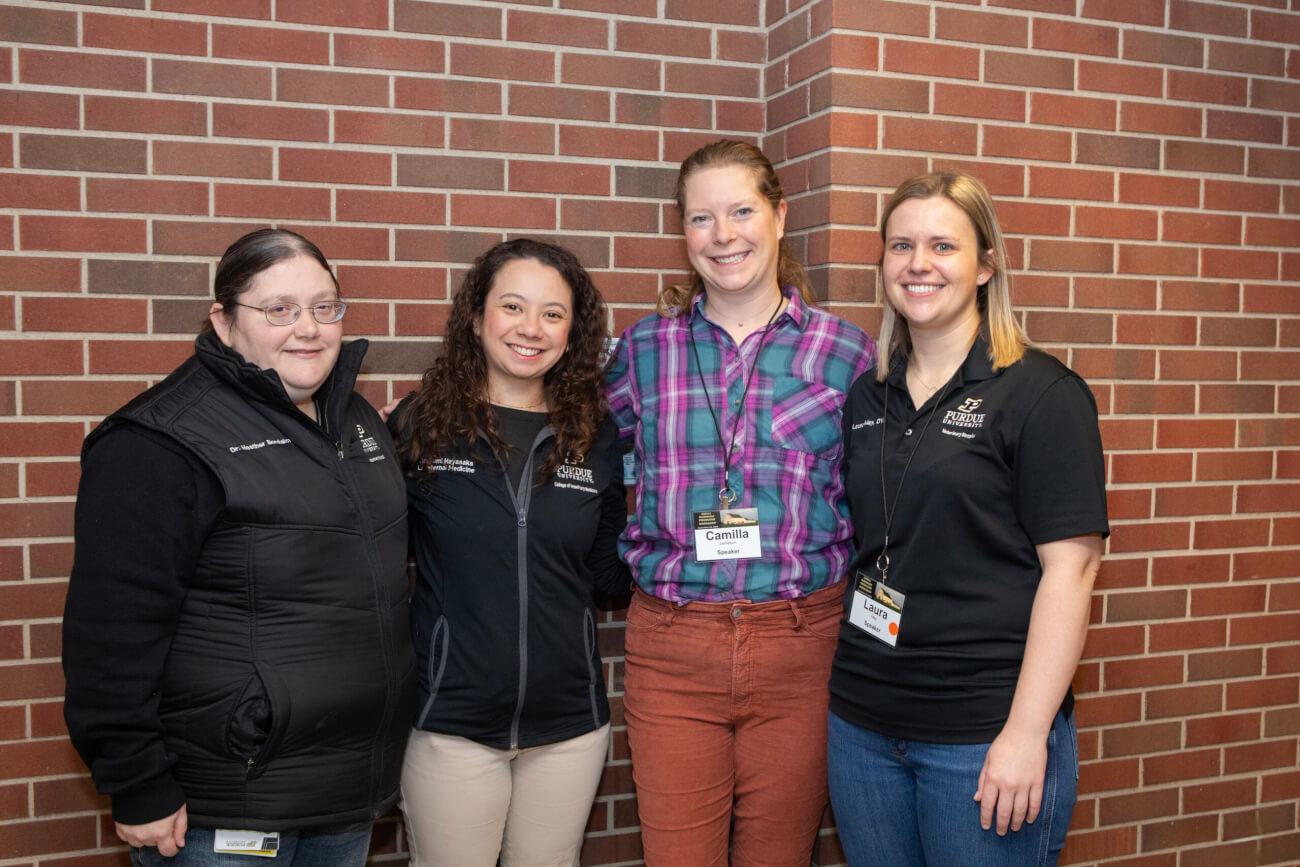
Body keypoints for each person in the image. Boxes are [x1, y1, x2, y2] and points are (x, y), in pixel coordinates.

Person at [62, 228, 415, 866]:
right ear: (223, 323)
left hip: (343, 793)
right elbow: (110, 632)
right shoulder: (159, 445)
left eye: (324, 307)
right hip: (224, 803)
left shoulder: (356, 421)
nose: (307, 328)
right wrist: (136, 782)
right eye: (278, 309)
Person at [604, 139, 876, 866]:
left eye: (741, 211)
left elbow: (883, 495)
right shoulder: (643, 350)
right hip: (673, 648)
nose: (723, 236)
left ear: (780, 216)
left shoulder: (848, 354)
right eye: (701, 218)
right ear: (683, 232)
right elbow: (588, 460)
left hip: (801, 644)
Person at [828, 171, 1108, 866]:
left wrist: (1025, 732)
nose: (918, 264)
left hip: (981, 732)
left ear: (986, 265)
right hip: (863, 725)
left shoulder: (1043, 393)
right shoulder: (869, 393)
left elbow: (1071, 573)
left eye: (942, 246)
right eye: (901, 245)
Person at [390, 238, 630, 867]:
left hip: (570, 726)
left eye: (553, 313)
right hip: (451, 723)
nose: (532, 329)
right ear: (477, 318)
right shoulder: (420, 425)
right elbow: (372, 564)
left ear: (573, 330)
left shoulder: (595, 436)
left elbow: (609, 573)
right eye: (513, 307)